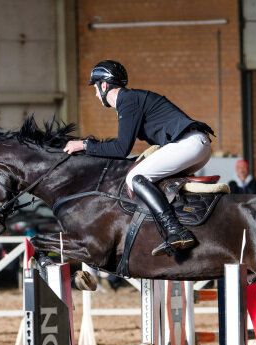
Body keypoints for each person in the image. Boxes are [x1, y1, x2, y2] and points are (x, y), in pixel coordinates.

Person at [63, 60, 214, 256]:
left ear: (104, 85)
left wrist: (83, 144)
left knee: (135, 178)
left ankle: (175, 230)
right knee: (153, 180)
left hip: (189, 144)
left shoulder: (127, 100)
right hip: (195, 146)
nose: (95, 94)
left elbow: (120, 149)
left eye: (95, 88)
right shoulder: (131, 99)